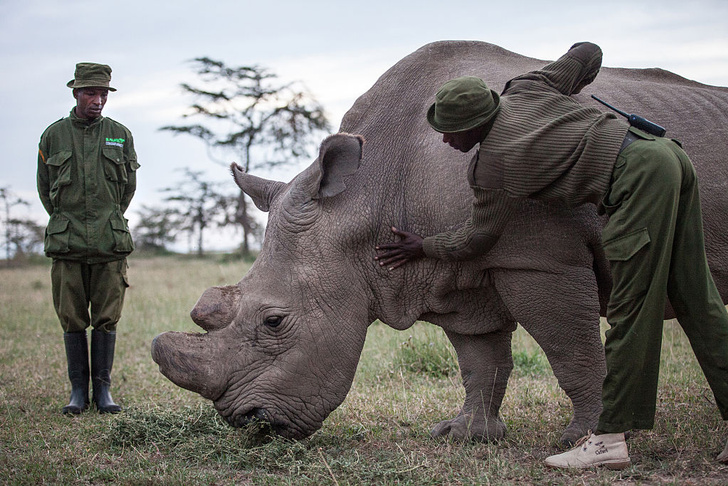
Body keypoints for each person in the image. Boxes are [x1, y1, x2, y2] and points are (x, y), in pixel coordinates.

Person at [374, 42, 728, 469]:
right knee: (695, 298)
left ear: (476, 124)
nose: (446, 139)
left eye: (453, 130)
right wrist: (575, 86)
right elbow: (588, 52)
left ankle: (609, 439)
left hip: (639, 184)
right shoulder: (527, 87)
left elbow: (476, 240)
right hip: (668, 155)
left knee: (631, 308)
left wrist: (422, 246)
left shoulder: (496, 165)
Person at [37, 63, 139, 415]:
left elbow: (127, 189)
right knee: (72, 319)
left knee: (107, 319)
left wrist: (107, 218)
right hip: (68, 244)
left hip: (109, 242)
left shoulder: (120, 134)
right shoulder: (53, 136)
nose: (98, 100)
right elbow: (45, 190)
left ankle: (104, 392)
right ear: (76, 93)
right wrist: (69, 220)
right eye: (91, 93)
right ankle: (78, 391)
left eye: (103, 94)